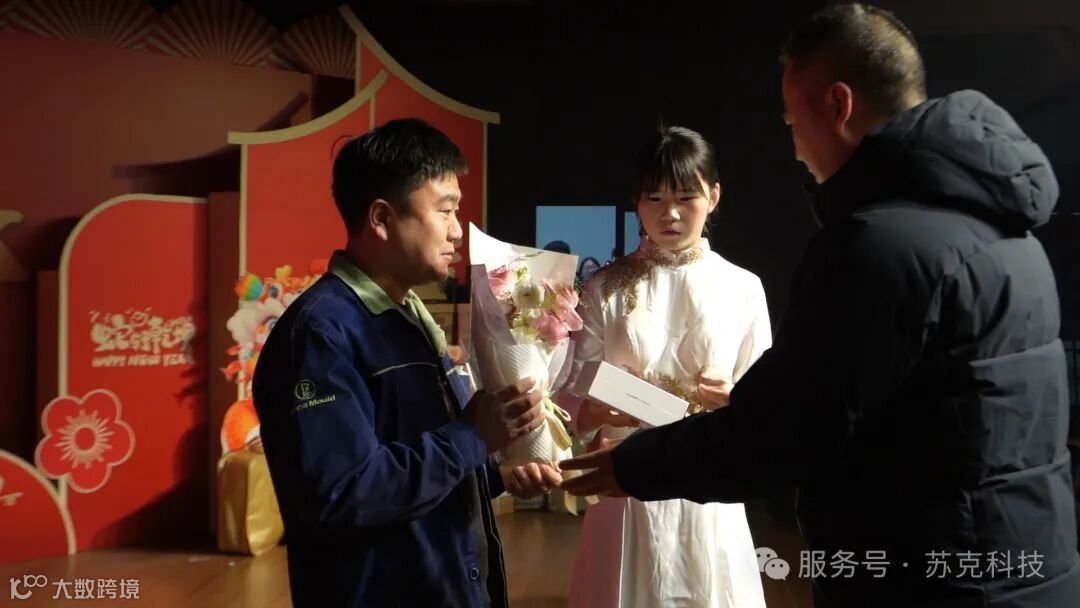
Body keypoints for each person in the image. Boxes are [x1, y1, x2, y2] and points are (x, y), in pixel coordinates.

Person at [562, 4, 1080, 607]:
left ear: (838, 105)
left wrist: (635, 464)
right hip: (1019, 562)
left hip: (929, 575)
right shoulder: (1013, 235)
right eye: (654, 197)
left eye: (792, 121)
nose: (795, 146)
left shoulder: (876, 248)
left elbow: (781, 426)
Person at [252, 118, 561, 608]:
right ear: (381, 217)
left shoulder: (410, 316)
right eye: (445, 211)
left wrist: (495, 474)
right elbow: (343, 495)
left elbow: (412, 458)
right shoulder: (320, 335)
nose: (457, 231)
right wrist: (473, 437)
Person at [562, 125, 771, 607]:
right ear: (636, 202)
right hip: (625, 476)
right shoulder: (603, 287)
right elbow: (572, 386)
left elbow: (766, 401)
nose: (669, 214)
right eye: (654, 198)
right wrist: (594, 411)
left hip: (708, 478)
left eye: (685, 197)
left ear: (713, 196)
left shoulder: (743, 287)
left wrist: (735, 400)